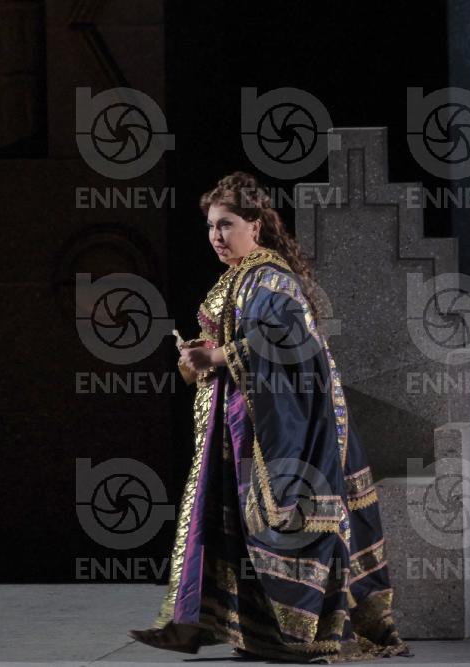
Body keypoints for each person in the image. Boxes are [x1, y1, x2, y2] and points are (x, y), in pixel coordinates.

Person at [128, 171, 410, 663]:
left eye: (227, 224)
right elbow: (235, 339)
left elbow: (285, 342)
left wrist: (216, 357)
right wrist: (200, 355)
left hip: (280, 427)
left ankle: (305, 635)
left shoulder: (270, 277)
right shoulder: (239, 277)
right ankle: (242, 632)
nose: (216, 236)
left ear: (255, 225)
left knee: (282, 521)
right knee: (233, 523)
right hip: (240, 424)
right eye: (211, 226)